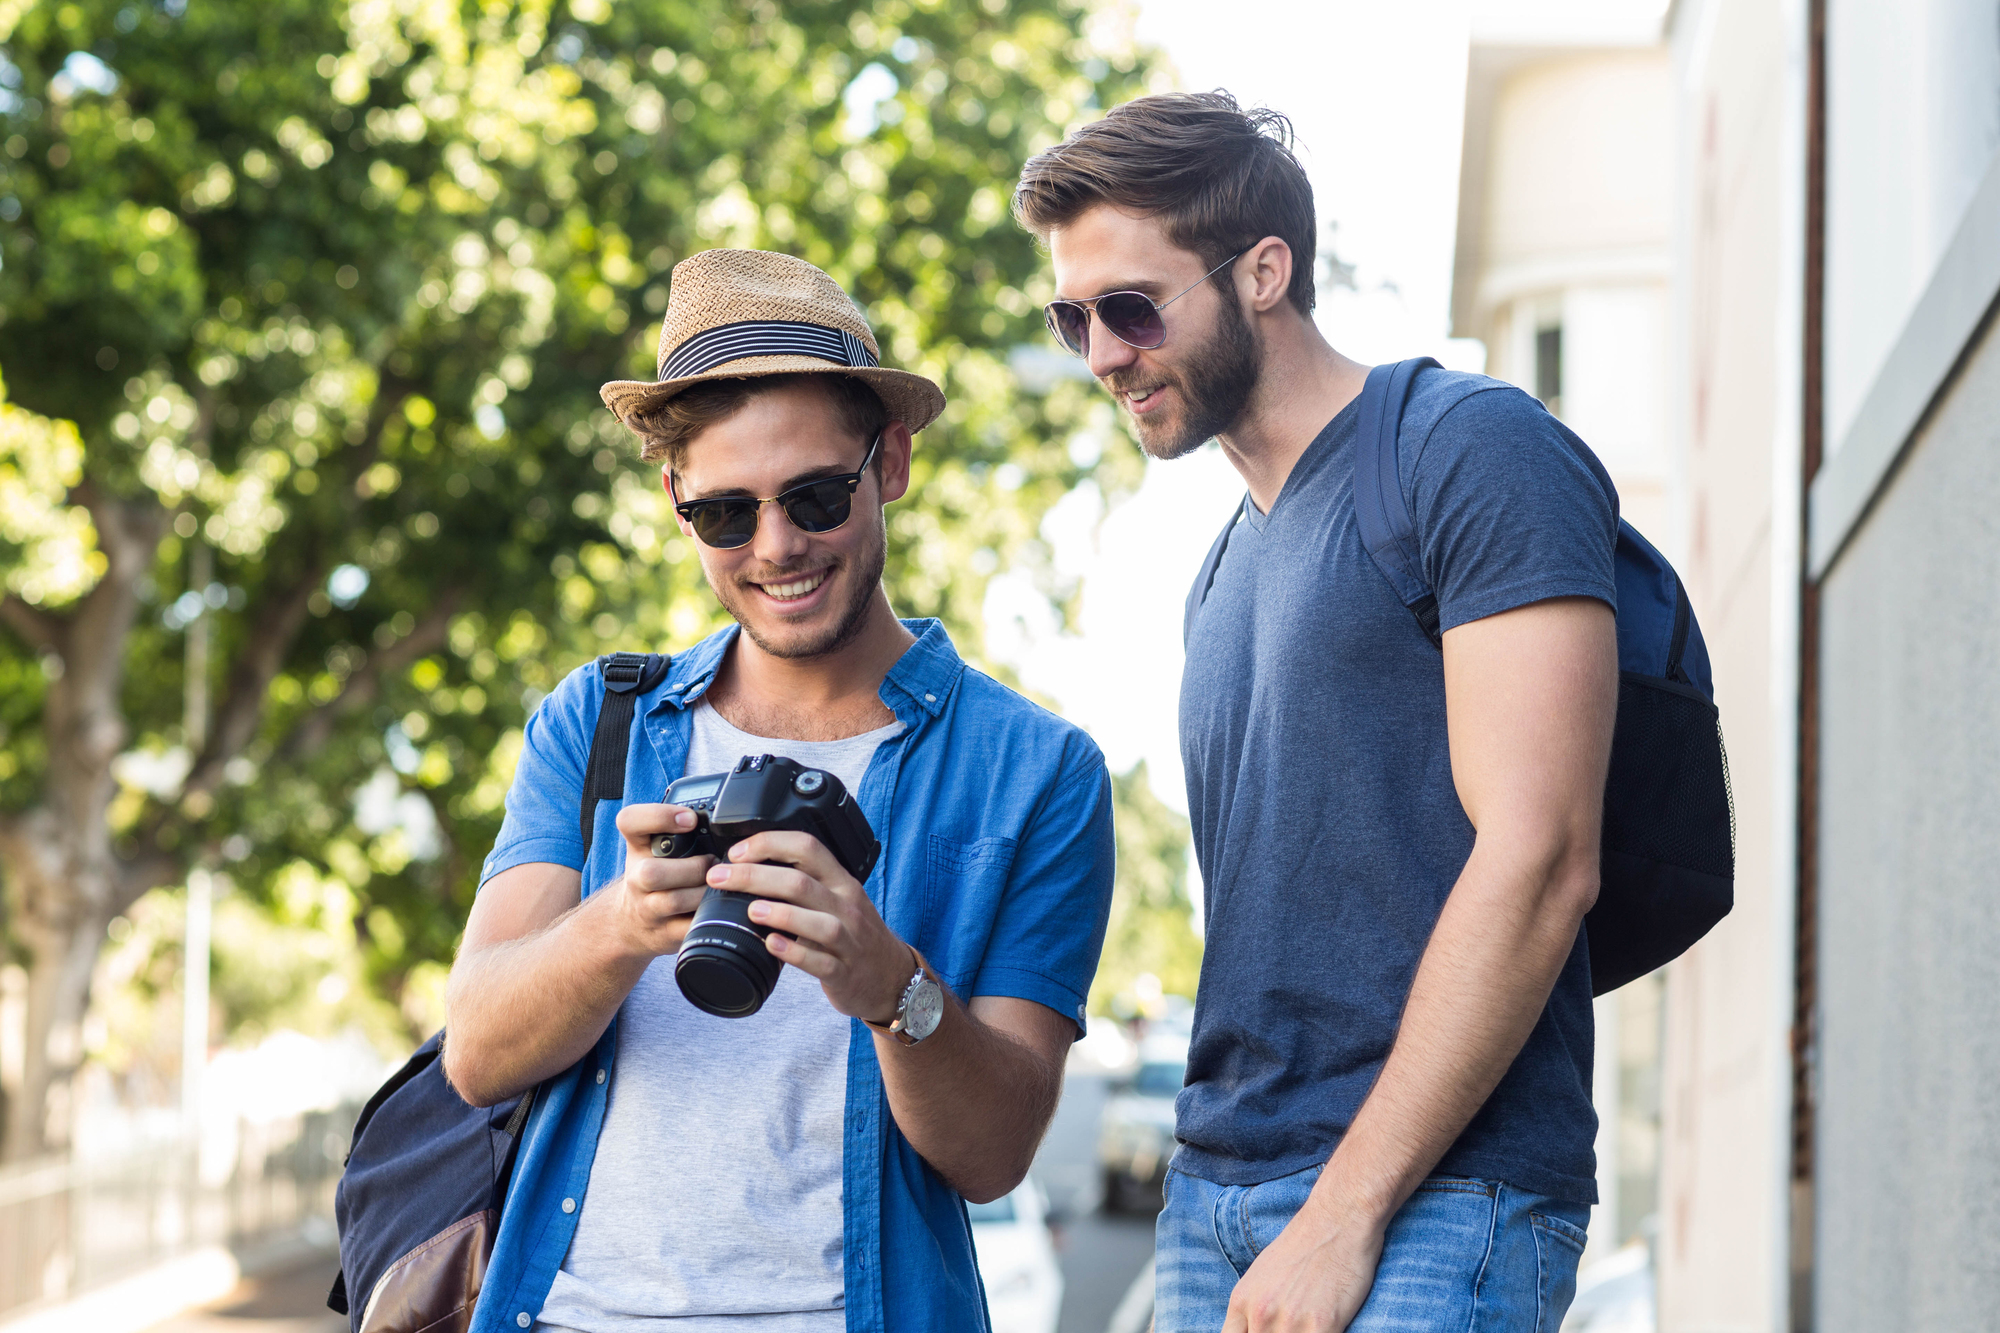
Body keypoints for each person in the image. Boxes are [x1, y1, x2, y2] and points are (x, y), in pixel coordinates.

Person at [1014, 94, 1620, 1332]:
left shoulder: (1463, 449)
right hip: (1214, 1198)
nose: (1101, 356)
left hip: (1438, 1194)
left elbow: (1542, 857)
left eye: (1130, 308)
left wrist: (1342, 1214)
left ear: (1263, 273)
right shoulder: (1219, 576)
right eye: (1068, 318)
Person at [444, 249, 1116, 1333]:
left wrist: (889, 982)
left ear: (887, 462)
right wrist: (620, 923)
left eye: (813, 496)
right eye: (725, 514)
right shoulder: (597, 721)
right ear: (675, 501)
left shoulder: (1035, 770)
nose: (775, 548)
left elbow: (991, 1157)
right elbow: (475, 1053)